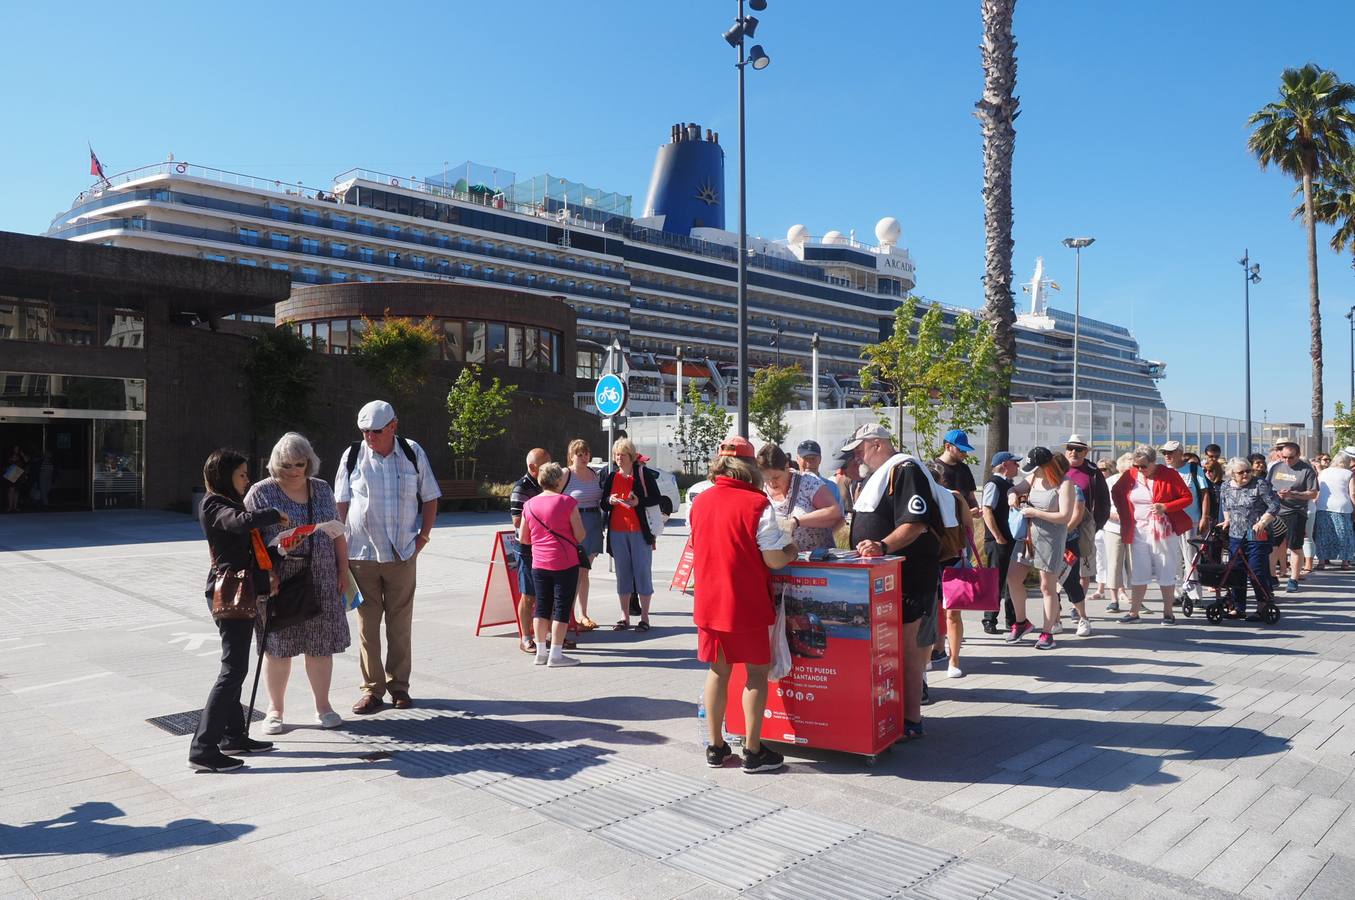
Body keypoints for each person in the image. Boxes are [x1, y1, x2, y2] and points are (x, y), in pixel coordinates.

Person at [690, 437, 798, 774]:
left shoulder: (700, 502)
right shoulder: (757, 505)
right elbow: (774, 559)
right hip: (746, 603)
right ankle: (753, 752)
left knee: (718, 671)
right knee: (755, 674)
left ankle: (715, 747)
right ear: (751, 468)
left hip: (709, 602)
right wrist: (791, 550)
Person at [845, 423, 954, 737]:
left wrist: (882, 545)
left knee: (906, 648)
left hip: (907, 576)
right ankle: (892, 713)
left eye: (859, 449)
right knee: (890, 650)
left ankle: (911, 719)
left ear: (877, 444)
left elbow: (915, 523)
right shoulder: (879, 475)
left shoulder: (905, 470)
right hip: (883, 577)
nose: (856, 457)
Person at [335, 401, 440, 715]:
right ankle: (372, 691)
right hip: (360, 555)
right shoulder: (352, 455)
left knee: (399, 625)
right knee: (367, 626)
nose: (369, 437)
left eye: (376, 431)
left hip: (401, 554)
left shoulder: (412, 452)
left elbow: (431, 496)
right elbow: (340, 502)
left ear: (393, 426)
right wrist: (337, 548)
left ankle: (399, 688)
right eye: (365, 431)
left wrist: (422, 538)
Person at [244, 433, 350, 735]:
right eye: (286, 465)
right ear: (276, 464)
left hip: (321, 575)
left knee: (320, 646)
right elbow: (249, 539)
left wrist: (343, 570)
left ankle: (323, 706)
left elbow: (337, 533)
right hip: (279, 579)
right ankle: (275, 710)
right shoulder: (260, 492)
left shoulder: (321, 489)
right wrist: (278, 551)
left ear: (309, 463)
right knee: (278, 647)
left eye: (299, 464)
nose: (293, 471)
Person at [191, 448, 288, 771]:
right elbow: (238, 524)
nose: (248, 480)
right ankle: (203, 747)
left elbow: (249, 549)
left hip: (241, 590)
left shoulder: (230, 503)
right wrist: (273, 513)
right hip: (229, 593)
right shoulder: (214, 504)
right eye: (243, 474)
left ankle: (233, 735)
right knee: (233, 669)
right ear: (224, 475)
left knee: (235, 667)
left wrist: (282, 551)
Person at [1004, 448, 1079, 649]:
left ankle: (1047, 632)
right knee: (1013, 577)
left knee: (1047, 586)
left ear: (1047, 466)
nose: (1032, 471)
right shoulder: (1033, 477)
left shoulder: (1065, 484)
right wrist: (1012, 495)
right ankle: (1021, 622)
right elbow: (1013, 489)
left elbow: (1064, 516)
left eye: (1035, 467)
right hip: (1027, 537)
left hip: (1051, 539)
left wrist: (1035, 512)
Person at [1111, 445, 1192, 624]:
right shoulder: (1131, 474)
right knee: (1139, 571)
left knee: (1166, 568)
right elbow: (1116, 492)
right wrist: (1125, 513)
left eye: (1143, 466)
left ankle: (1168, 612)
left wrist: (1166, 507)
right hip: (1139, 530)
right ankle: (1134, 612)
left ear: (1154, 462)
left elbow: (1187, 497)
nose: (1140, 470)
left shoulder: (1169, 474)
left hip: (1164, 532)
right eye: (1136, 466)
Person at [518, 461, 587, 667]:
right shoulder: (567, 502)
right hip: (565, 562)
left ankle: (541, 652)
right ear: (558, 480)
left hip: (539, 563)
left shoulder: (529, 505)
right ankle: (556, 655)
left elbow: (524, 538)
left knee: (541, 606)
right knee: (561, 607)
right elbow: (580, 535)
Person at [600, 438, 664, 631]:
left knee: (642, 573)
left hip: (639, 532)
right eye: (616, 455)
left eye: (622, 455)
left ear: (631, 456)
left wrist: (638, 502)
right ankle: (624, 616)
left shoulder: (642, 475)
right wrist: (609, 500)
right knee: (623, 574)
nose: (619, 458)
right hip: (618, 532)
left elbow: (656, 498)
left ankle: (644, 618)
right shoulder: (611, 477)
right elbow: (603, 503)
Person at [1218, 457, 1282, 618]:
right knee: (1236, 570)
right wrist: (1227, 520)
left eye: (1248, 470)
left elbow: (1274, 505)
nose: (1246, 474)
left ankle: (1263, 606)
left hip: (1257, 532)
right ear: (1232, 474)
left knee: (1256, 570)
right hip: (1236, 534)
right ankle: (1238, 608)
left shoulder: (1259, 484)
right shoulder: (1225, 486)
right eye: (1241, 472)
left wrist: (1262, 521)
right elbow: (1225, 505)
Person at [757, 444, 843, 552]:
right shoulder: (761, 489)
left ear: (787, 467)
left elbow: (834, 512)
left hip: (815, 561)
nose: (771, 483)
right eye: (766, 478)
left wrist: (796, 522)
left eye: (776, 477)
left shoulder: (808, 482)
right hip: (779, 562)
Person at [1062, 435, 1111, 600]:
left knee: (1083, 569)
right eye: (1070, 448)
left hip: (1083, 526)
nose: (1074, 452)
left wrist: (1096, 525)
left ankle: (1078, 604)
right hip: (1058, 522)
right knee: (1056, 567)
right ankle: (1056, 605)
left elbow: (1104, 501)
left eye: (1079, 449)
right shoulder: (1057, 467)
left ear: (1086, 452)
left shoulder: (1092, 471)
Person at [510, 449, 550, 652]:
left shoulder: (549, 485)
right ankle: (525, 637)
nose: (550, 467)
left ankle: (547, 635)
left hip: (546, 546)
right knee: (528, 594)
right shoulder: (521, 487)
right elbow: (516, 520)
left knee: (547, 593)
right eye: (545, 464)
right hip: (527, 547)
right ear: (533, 468)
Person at [1161, 440, 1210, 600]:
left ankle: (1194, 594)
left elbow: (1204, 494)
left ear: (1180, 453)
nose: (1167, 456)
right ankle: (1177, 594)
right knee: (1172, 559)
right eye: (1165, 453)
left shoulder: (1194, 469)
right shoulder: (1162, 471)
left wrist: (1204, 516)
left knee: (1191, 558)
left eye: (1170, 452)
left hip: (1191, 521)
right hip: (1168, 522)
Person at [1267, 441, 1318, 593]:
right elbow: (1267, 486)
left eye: (1290, 458)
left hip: (1296, 511)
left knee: (1295, 546)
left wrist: (1292, 494)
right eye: (1284, 457)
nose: (1287, 461)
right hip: (1276, 511)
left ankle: (1294, 578)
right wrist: (1273, 495)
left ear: (1298, 455)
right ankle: (1271, 577)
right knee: (1272, 545)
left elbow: (1313, 493)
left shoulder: (1306, 470)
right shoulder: (1276, 467)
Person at [980, 451, 1022, 635]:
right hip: (998, 541)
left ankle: (1011, 620)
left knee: (1011, 579)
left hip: (1009, 540)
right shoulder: (994, 484)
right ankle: (989, 620)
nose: (1018, 467)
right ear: (1005, 464)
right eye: (1015, 463)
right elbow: (987, 511)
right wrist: (997, 537)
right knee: (996, 580)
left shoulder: (1008, 485)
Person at [563, 439, 603, 630]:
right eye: (579, 454)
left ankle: (583, 615)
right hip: (573, 525)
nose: (584, 457)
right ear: (571, 456)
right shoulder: (566, 474)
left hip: (593, 524)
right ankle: (568, 616)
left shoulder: (594, 473)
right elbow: (553, 496)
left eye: (586, 453)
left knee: (584, 571)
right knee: (574, 572)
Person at [1100, 453, 1135, 613]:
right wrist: (1113, 515)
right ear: (1120, 469)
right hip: (1114, 527)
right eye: (1127, 470)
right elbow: (1101, 506)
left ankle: (1137, 599)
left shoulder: (1139, 482)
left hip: (1136, 527)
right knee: (1114, 563)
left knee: (1136, 564)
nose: (1131, 473)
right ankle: (1114, 599)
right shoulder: (1109, 482)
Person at [1314, 451, 1355, 568]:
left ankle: (1321, 562)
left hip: (1323, 505)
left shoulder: (1323, 472)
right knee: (1344, 533)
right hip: (1342, 506)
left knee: (1323, 534)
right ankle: (1345, 562)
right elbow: (1352, 493)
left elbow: (1318, 490)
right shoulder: (1348, 473)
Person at [935, 429, 979, 514]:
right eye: (961, 450)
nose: (965, 454)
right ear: (947, 446)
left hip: (964, 525)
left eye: (966, 450)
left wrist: (975, 509)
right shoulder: (933, 469)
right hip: (943, 525)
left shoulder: (965, 469)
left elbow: (971, 498)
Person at [796, 440, 842, 509]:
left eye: (813, 458)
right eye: (805, 458)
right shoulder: (791, 486)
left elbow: (839, 515)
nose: (809, 463)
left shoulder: (832, 487)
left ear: (820, 459)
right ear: (797, 459)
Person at [5, 445, 29, 513]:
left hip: (19, 472)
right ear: (13, 448)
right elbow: (8, 462)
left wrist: (23, 454)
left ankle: (15, 507)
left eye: (18, 448)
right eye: (15, 448)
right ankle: (10, 507)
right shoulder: (10, 454)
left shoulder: (21, 455)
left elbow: (27, 461)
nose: (16, 449)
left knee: (17, 491)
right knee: (11, 490)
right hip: (12, 471)